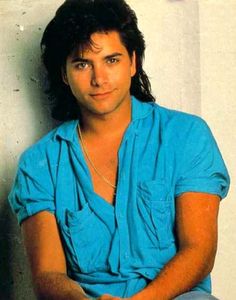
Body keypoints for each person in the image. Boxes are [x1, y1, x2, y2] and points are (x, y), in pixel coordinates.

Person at [8, 0, 230, 299]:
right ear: (64, 73)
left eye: (111, 60)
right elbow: (48, 275)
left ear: (133, 62)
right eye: (83, 64)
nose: (99, 79)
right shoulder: (39, 164)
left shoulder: (186, 135)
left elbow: (199, 251)